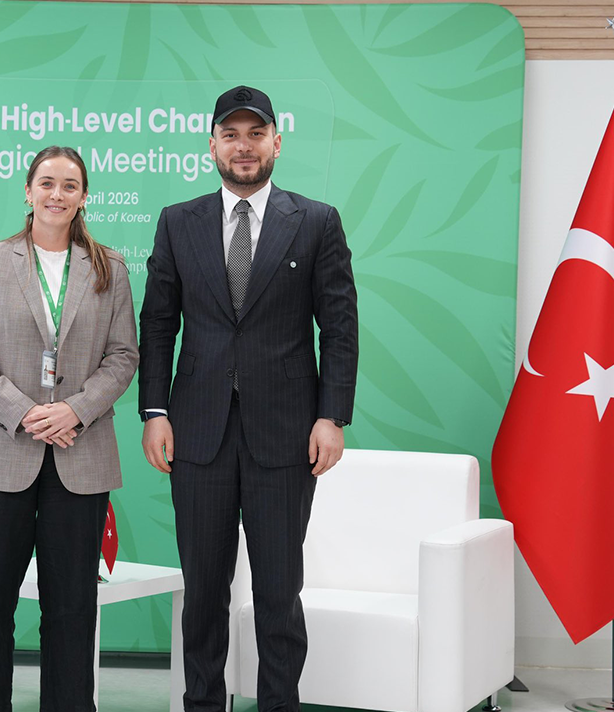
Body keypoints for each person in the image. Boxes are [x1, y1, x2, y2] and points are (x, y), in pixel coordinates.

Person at [138, 86, 358, 712]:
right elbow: (159, 323)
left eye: (255, 134)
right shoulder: (178, 221)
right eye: (230, 135)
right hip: (197, 432)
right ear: (211, 145)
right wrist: (155, 410)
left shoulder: (315, 221)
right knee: (204, 592)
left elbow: (339, 325)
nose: (243, 146)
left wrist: (331, 415)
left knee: (279, 593)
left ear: (276, 143)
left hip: (286, 436)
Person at [0, 145, 139, 712]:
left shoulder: (109, 268)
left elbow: (123, 356)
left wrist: (74, 410)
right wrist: (25, 412)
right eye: (48, 183)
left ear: (85, 197)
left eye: (70, 185)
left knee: (73, 608)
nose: (57, 194)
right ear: (28, 191)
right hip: (1, 451)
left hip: (80, 455)